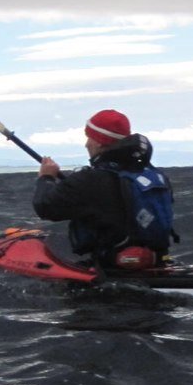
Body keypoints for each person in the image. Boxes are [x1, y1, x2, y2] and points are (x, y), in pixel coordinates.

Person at [32, 109, 176, 268]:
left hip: (112, 269)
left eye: (89, 138)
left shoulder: (90, 180)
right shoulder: (153, 175)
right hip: (156, 262)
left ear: (100, 142)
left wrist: (46, 177)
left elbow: (45, 206)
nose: (86, 144)